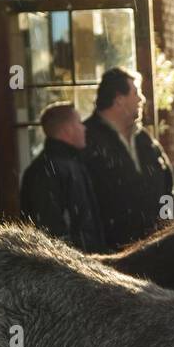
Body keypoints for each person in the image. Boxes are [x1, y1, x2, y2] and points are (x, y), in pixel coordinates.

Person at [82, 67, 174, 250]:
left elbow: (168, 185)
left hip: (153, 250)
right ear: (119, 100)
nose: (142, 99)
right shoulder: (86, 140)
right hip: (110, 258)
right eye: (136, 92)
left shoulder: (145, 140)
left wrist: (167, 226)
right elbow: (84, 202)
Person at [18, 101, 105, 252]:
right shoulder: (47, 170)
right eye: (79, 122)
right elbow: (50, 229)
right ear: (67, 129)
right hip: (69, 266)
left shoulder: (72, 164)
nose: (84, 128)